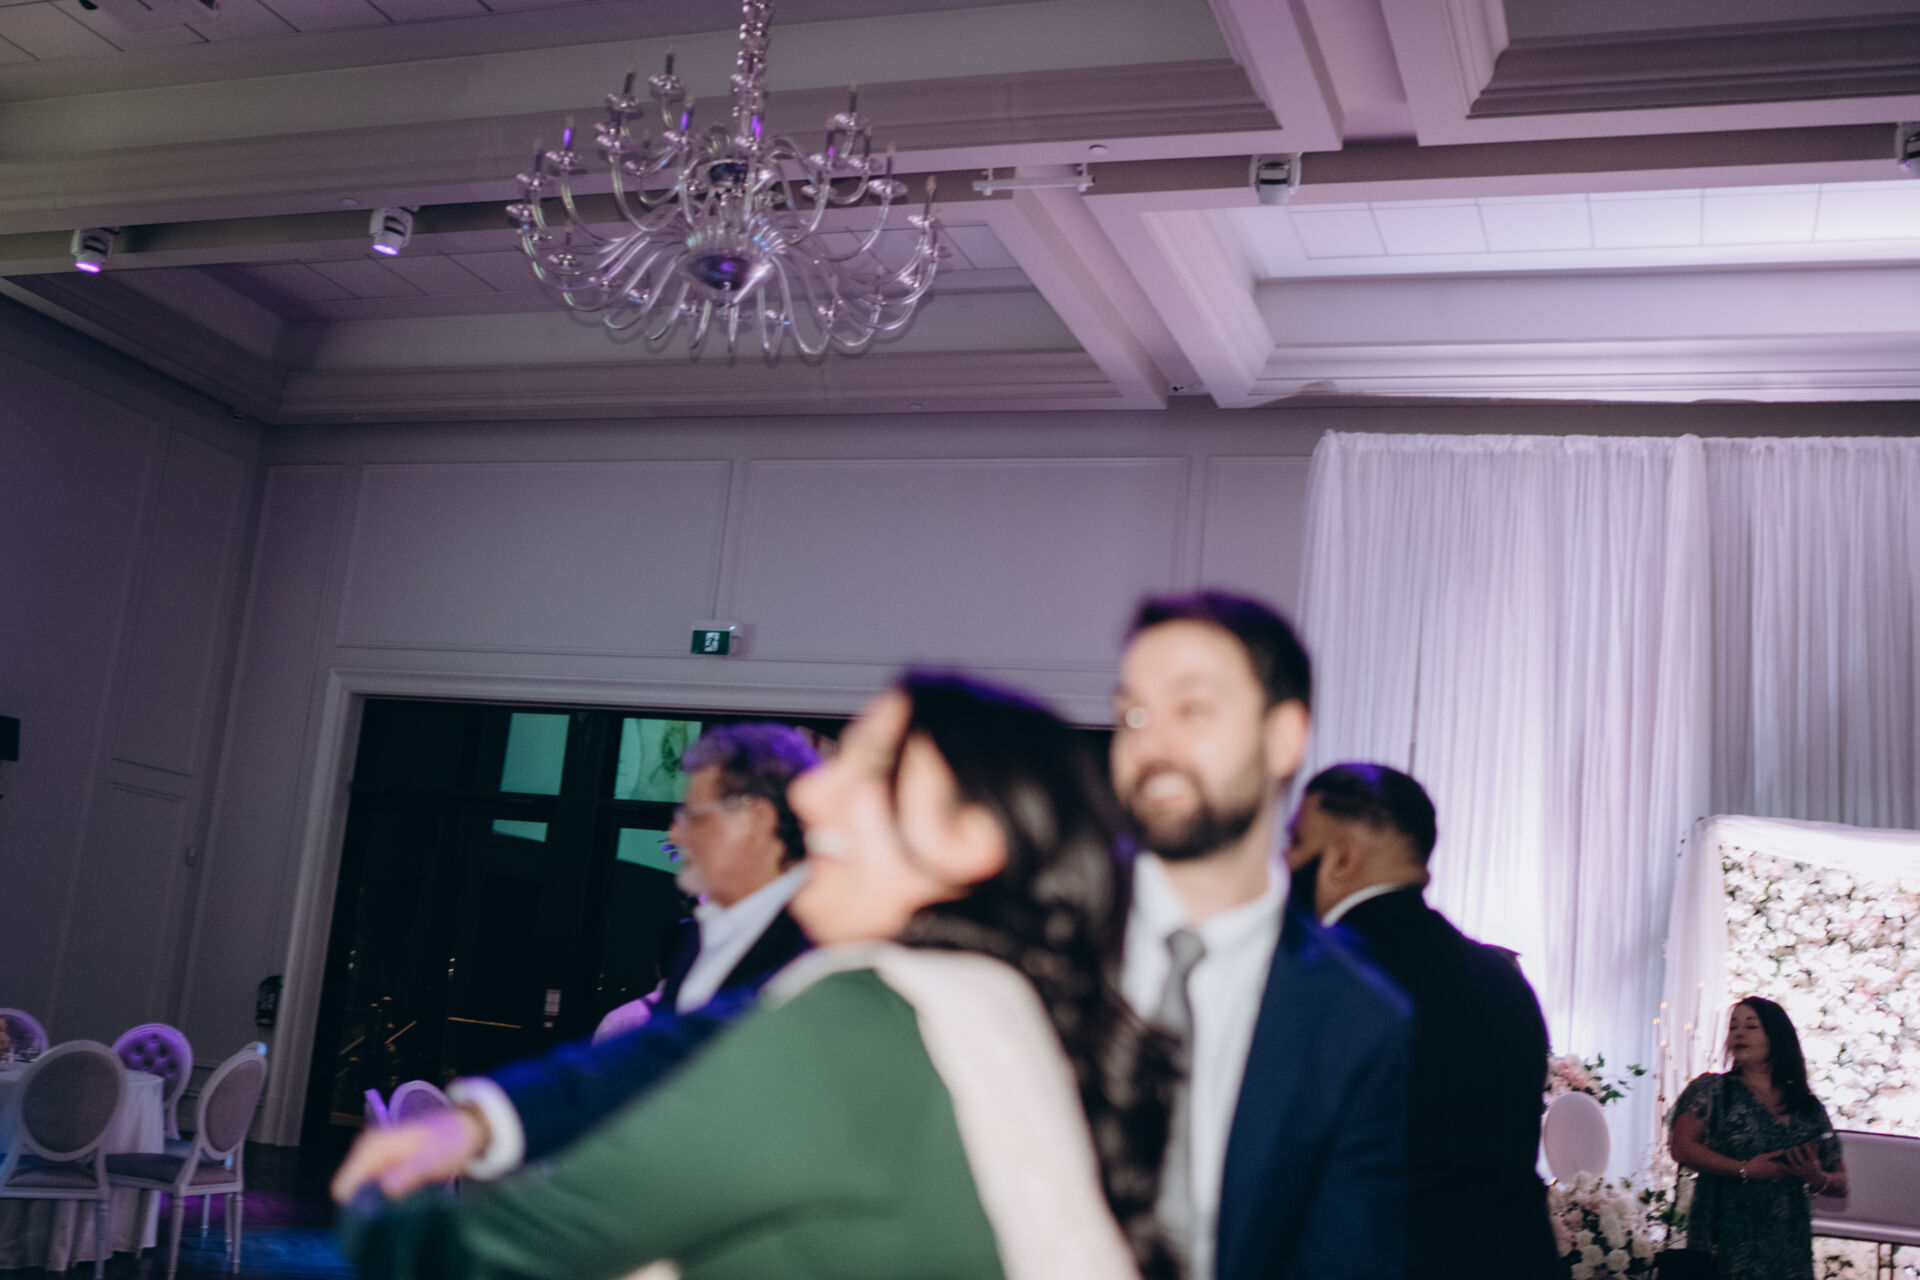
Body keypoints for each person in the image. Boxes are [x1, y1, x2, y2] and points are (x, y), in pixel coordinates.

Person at [340, 671, 1176, 1280]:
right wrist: (487, 1119)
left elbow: (504, 1250)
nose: (812, 800)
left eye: (870, 767)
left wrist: (378, 1203)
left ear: (972, 840)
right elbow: (694, 1048)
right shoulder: (997, 996)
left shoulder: (861, 1018)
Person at [1111, 591, 1411, 1280]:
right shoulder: (1038, 947)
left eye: (1192, 710)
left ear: (1283, 738)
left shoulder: (1356, 1018)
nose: (1151, 746)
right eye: (1133, 714)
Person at [1285, 762, 1558, 1280]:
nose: (1285, 860)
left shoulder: (1323, 978)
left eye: (1296, 841)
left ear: (1342, 856)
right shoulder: (1503, 979)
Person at [1668, 997, 1849, 1280]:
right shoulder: (1713, 1090)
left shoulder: (1807, 1106)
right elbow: (1681, 1147)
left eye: (1751, 1026)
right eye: (1733, 1027)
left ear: (1777, 1037)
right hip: (1724, 1239)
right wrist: (1745, 1169)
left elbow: (1841, 1183)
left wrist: (1814, 1176)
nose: (1739, 1034)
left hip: (1788, 1244)